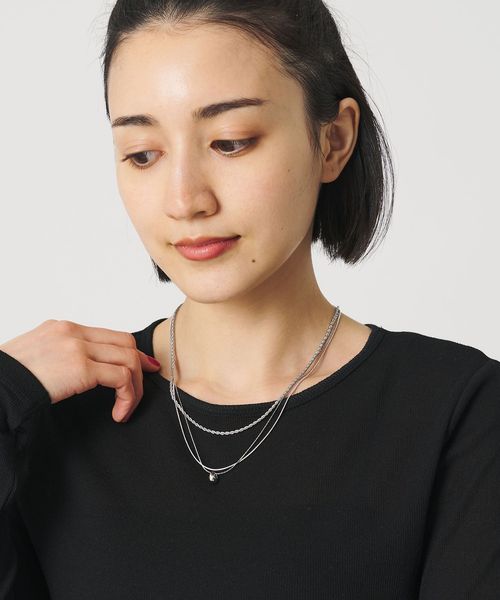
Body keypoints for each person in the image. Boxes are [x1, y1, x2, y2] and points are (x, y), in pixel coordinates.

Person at [0, 1, 498, 598]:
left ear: (334, 140)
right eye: (142, 154)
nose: (185, 200)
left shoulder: (459, 414)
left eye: (230, 142)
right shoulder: (52, 420)